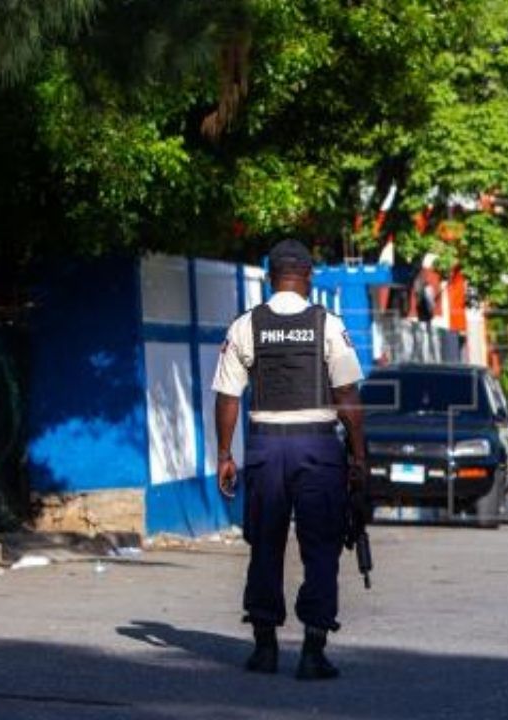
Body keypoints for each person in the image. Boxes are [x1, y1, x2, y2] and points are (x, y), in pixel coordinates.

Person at [211, 239, 367, 681]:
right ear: (310, 277)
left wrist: (226, 455)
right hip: (317, 449)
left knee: (265, 544)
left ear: (270, 276)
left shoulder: (246, 326)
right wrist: (358, 456)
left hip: (264, 449)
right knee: (321, 547)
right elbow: (347, 396)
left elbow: (227, 396)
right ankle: (313, 651)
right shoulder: (327, 325)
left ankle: (264, 649)